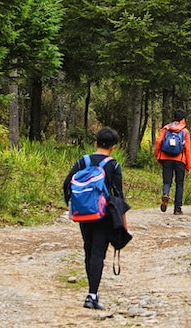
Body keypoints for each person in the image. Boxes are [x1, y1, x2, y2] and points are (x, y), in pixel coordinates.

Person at [65, 126, 127, 311]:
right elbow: (118, 196)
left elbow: (66, 184)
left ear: (96, 143)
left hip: (83, 213)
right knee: (98, 253)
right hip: (103, 215)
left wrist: (73, 204)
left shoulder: (82, 162)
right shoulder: (113, 165)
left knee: (89, 249)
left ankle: (92, 292)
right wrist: (122, 222)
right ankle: (92, 295)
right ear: (113, 147)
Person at [154, 107, 191, 214]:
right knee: (179, 183)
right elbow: (188, 149)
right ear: (183, 119)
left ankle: (165, 194)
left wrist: (158, 156)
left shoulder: (166, 128)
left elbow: (158, 142)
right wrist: (189, 166)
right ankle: (177, 208)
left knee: (167, 181)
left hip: (166, 158)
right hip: (180, 159)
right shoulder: (185, 131)